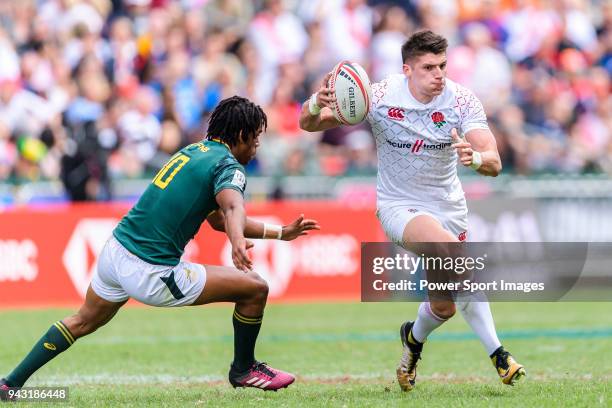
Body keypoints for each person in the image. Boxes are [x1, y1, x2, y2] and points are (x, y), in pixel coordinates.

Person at [1, 96, 320, 399]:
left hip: (115, 252)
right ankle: (243, 369)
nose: (256, 147)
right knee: (255, 288)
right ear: (240, 135)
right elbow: (233, 209)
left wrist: (280, 232)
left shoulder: (194, 152)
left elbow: (219, 219)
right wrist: (238, 242)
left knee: (83, 320)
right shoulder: (228, 165)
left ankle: (10, 384)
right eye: (255, 139)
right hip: (151, 271)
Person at [299, 30, 525, 392]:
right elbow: (308, 123)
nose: (439, 74)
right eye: (429, 67)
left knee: (443, 307)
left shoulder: (462, 101)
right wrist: (315, 101)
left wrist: (477, 158)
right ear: (407, 69)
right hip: (398, 205)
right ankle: (499, 354)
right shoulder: (378, 96)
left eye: (443, 66)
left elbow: (494, 161)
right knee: (456, 254)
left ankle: (413, 340)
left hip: (449, 207)